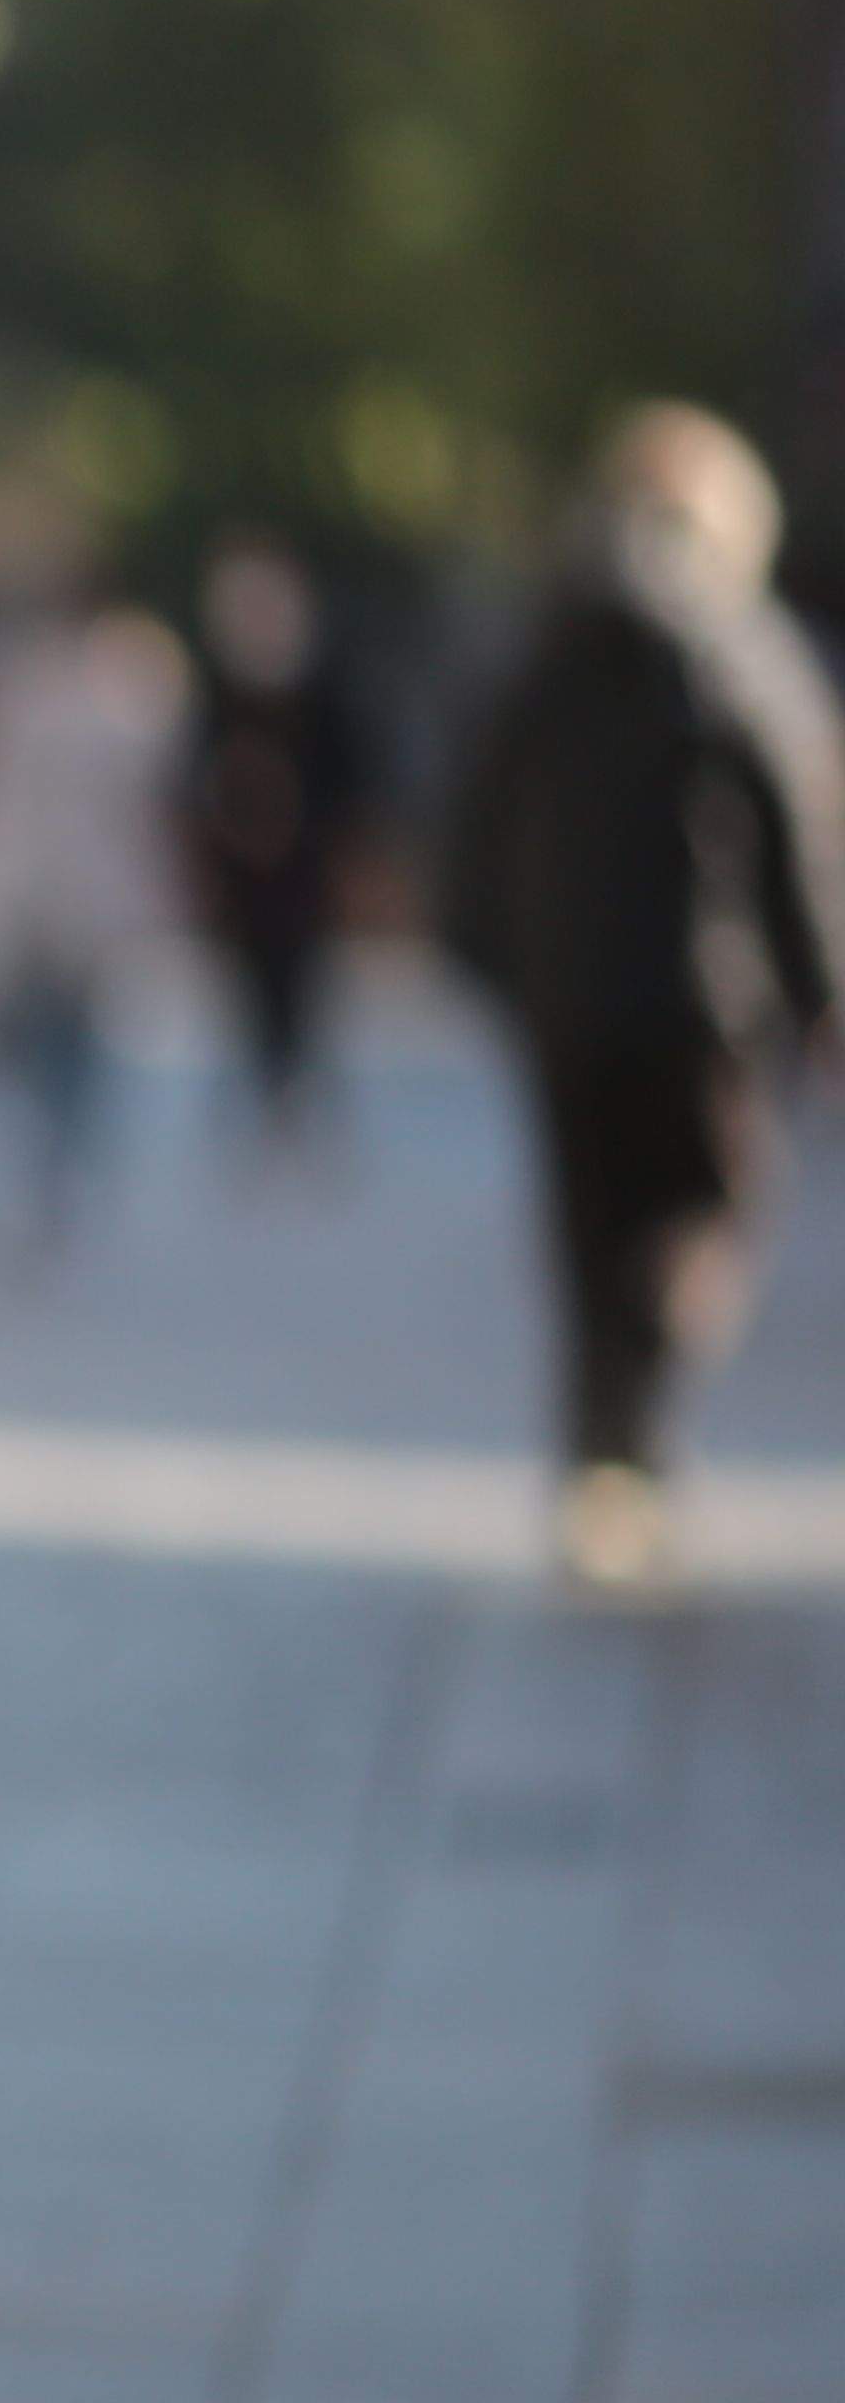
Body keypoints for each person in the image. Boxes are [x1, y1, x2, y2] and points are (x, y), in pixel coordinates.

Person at [439, 404, 845, 1586]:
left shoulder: (540, 641)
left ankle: (600, 1460)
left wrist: (494, 964)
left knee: (588, 1231)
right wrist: (821, 988)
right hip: (701, 1002)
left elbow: (471, 818)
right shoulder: (737, 642)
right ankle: (633, 1452)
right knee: (700, 1215)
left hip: (566, 999)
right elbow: (796, 829)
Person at [0, 584, 192, 1267]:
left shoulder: (125, 683)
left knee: (72, 1035)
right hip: (24, 894)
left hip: (85, 896)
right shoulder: (13, 682)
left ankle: (64, 1159)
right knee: (34, 1036)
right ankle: (45, 1162)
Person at [181, 530, 373, 1155]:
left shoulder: (321, 689)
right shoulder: (217, 692)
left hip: (302, 869)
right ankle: (265, 1098)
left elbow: (349, 782)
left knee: (302, 987)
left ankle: (296, 1097)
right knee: (247, 990)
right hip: (240, 874)